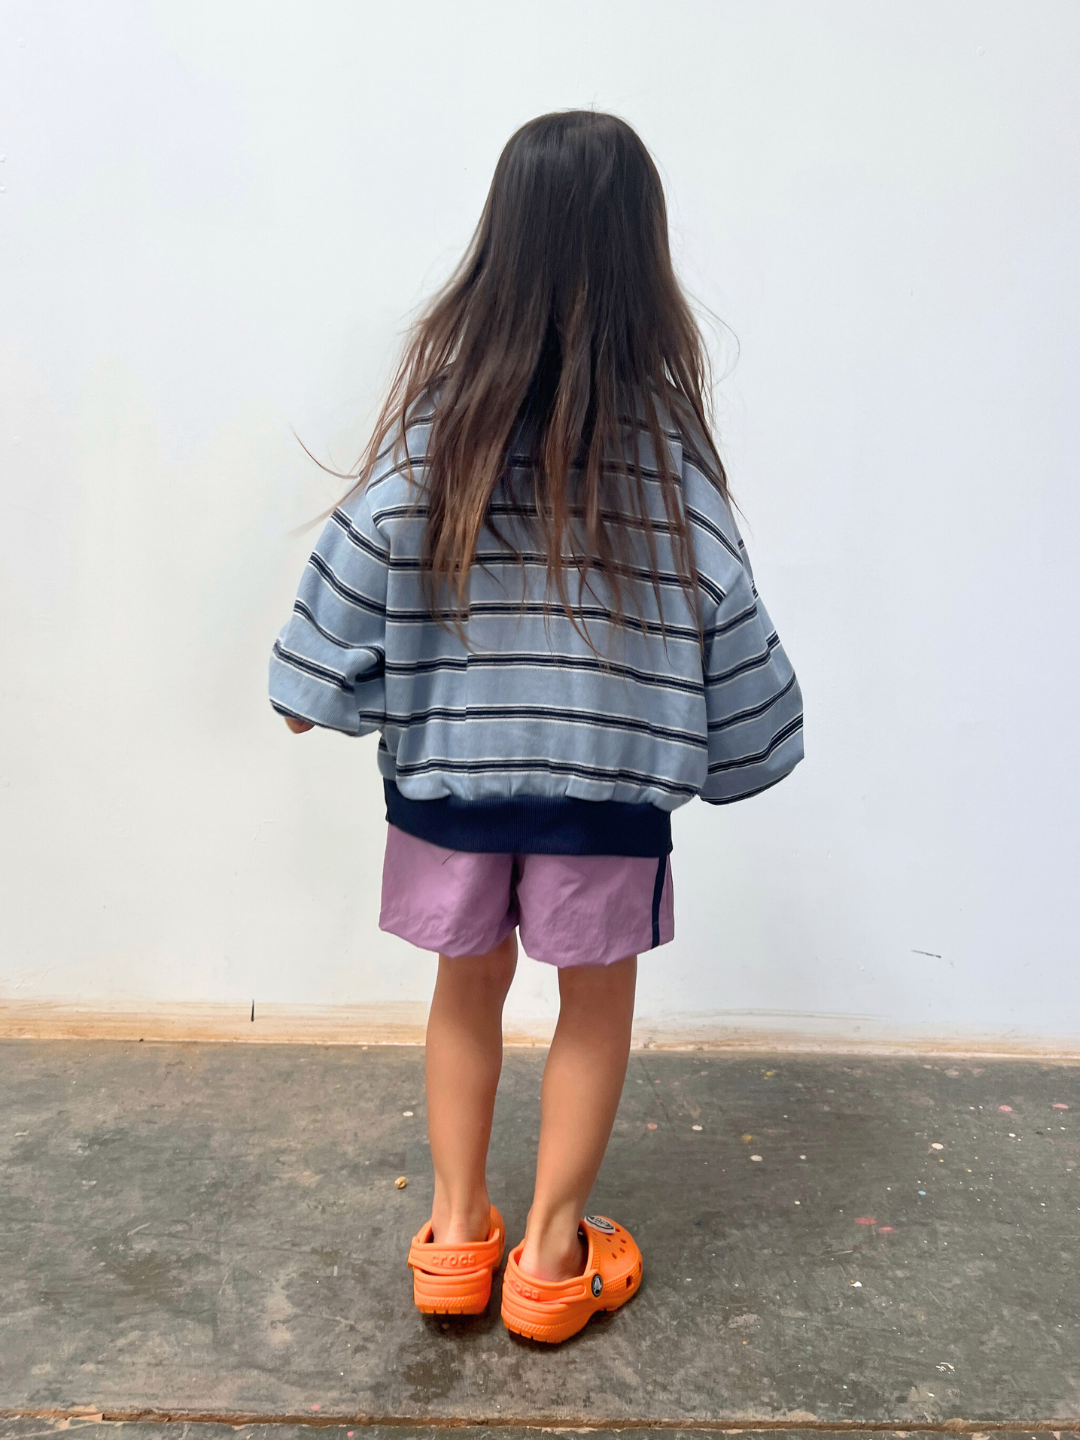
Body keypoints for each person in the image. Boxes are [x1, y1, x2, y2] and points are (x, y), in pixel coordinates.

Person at [269, 110, 803, 1344]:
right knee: (594, 1005)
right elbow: (727, 604)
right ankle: (556, 1263)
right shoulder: (666, 452)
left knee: (466, 990)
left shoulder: (437, 430)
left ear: (496, 246)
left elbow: (357, 555)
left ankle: (458, 1241)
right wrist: (752, 746)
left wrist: (309, 687)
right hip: (605, 794)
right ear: (640, 259)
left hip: (451, 785)